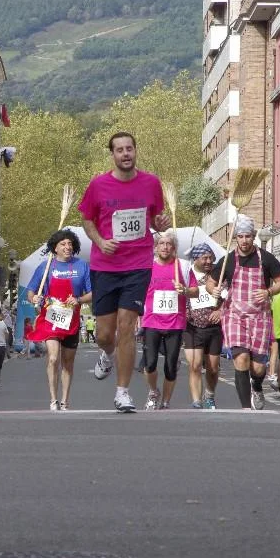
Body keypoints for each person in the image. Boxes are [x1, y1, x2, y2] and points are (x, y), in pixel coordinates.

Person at [79, 131, 169, 412]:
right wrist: (100, 241)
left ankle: (122, 392)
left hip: (138, 264)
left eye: (129, 148)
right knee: (105, 334)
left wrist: (160, 224)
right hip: (105, 265)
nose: (125, 153)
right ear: (113, 155)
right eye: (120, 150)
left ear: (135, 151)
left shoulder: (151, 183)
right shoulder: (98, 185)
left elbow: (154, 219)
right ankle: (107, 354)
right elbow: (87, 219)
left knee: (127, 326)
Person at [207, 215, 280, 410]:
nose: (244, 241)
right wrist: (213, 290)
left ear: (254, 236)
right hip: (234, 315)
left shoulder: (266, 258)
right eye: (240, 236)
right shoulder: (228, 260)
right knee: (241, 358)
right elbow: (211, 282)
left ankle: (257, 386)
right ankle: (245, 408)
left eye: (248, 236)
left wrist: (268, 291)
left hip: (260, 317)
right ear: (236, 238)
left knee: (258, 368)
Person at [25, 229, 92, 410]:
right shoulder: (46, 266)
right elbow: (31, 291)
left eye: (70, 243)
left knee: (68, 363)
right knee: (53, 358)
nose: (67, 247)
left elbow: (92, 293)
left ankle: (65, 400)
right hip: (51, 319)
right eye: (63, 244)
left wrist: (78, 300)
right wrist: (34, 298)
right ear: (55, 248)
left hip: (72, 320)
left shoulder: (81, 266)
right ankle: (53, 399)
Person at [135, 232, 187, 410]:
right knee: (149, 364)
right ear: (155, 247)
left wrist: (185, 290)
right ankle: (152, 391)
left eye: (169, 243)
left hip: (175, 323)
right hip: (152, 322)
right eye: (161, 243)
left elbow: (195, 291)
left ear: (174, 248)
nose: (165, 246)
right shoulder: (147, 267)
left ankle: (166, 401)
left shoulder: (182, 266)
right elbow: (137, 292)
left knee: (171, 366)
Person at [182, 243, 222, 409]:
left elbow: (229, 296)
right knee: (195, 365)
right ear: (195, 259)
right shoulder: (186, 274)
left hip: (214, 327)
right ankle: (196, 400)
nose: (208, 261)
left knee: (213, 367)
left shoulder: (218, 274)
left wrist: (220, 310)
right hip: (192, 326)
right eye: (204, 258)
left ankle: (210, 394)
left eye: (210, 258)